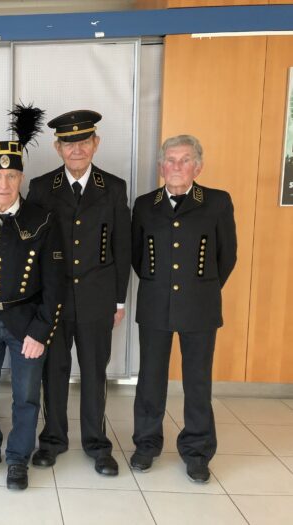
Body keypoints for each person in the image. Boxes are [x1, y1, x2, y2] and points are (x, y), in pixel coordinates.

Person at [0, 105, 65, 491]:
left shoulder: (42, 219)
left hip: (26, 323)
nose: (4, 184)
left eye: (11, 175)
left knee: (25, 396)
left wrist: (41, 330)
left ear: (21, 177)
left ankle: (18, 457)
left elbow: (55, 282)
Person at [27, 109, 131, 476]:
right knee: (53, 372)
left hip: (97, 299)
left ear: (95, 144)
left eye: (84, 141)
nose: (77, 149)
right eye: (69, 143)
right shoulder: (41, 188)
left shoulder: (113, 187)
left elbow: (123, 247)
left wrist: (119, 300)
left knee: (93, 373)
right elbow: (34, 250)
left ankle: (97, 444)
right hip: (54, 301)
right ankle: (52, 439)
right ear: (58, 148)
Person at [131, 134, 237, 483]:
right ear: (161, 166)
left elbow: (227, 256)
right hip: (155, 304)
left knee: (197, 383)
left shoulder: (218, 202)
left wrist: (200, 288)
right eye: (170, 160)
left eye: (185, 160)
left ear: (198, 166)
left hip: (200, 306)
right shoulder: (145, 204)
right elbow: (136, 255)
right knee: (150, 380)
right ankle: (146, 445)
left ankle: (196, 452)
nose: (176, 166)